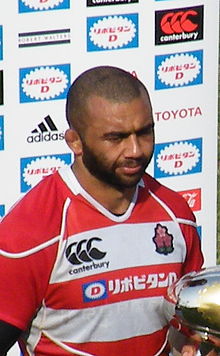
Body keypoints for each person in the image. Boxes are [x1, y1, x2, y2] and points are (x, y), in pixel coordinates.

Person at [0, 65, 206, 355]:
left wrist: (193, 340)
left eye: (144, 132)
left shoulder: (176, 214)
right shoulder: (30, 232)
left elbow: (188, 323)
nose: (135, 150)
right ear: (75, 142)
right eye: (116, 137)